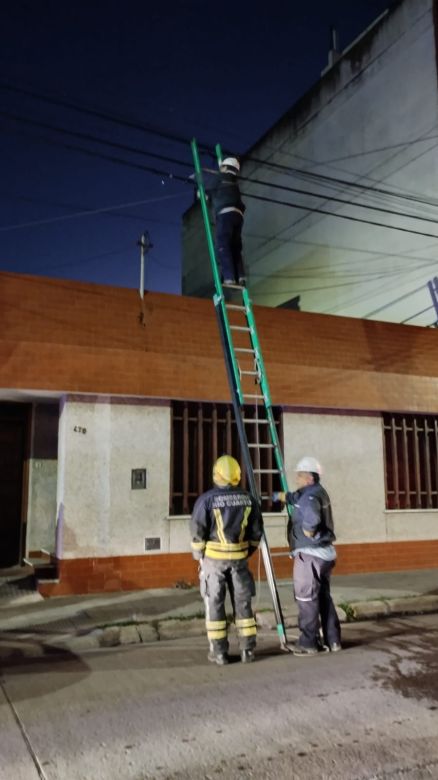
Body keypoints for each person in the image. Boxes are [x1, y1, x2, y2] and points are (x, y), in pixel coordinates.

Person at [190, 454, 263, 665]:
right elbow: (256, 532)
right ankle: (247, 650)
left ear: (216, 475)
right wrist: (245, 551)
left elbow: (197, 533)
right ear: (238, 475)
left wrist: (199, 557)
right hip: (239, 561)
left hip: (213, 563)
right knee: (243, 605)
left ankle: (219, 653)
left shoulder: (206, 500)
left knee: (215, 604)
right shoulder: (249, 499)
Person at [273, 456, 341, 657]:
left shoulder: (310, 498)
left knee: (305, 598)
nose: (297, 479)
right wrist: (278, 496)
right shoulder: (315, 492)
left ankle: (308, 643)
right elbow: (296, 497)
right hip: (324, 554)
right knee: (323, 597)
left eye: (300, 476)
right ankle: (333, 640)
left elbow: (311, 517)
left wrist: (308, 531)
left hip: (310, 555)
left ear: (310, 477)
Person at [207, 157, 246, 287]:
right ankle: (241, 276)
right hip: (238, 216)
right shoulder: (235, 183)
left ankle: (229, 277)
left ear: (225, 167)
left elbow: (209, 188)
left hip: (225, 214)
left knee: (223, 245)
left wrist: (203, 194)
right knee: (235, 248)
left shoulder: (220, 177)